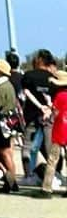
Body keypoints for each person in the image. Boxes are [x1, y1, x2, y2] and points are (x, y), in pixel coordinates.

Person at [21, 50, 57, 182]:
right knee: (50, 147)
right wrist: (48, 108)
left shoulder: (28, 76)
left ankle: (29, 174)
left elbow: (25, 93)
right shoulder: (53, 78)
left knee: (29, 146)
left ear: (39, 60)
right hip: (49, 116)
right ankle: (53, 175)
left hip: (32, 115)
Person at [0, 58, 21, 194]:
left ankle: (11, 180)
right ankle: (10, 180)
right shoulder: (9, 86)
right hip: (9, 123)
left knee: (3, 153)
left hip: (1, 124)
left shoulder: (1, 88)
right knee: (3, 152)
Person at [39, 70, 67, 198]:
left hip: (60, 130)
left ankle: (46, 188)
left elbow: (55, 113)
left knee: (52, 160)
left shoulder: (59, 95)